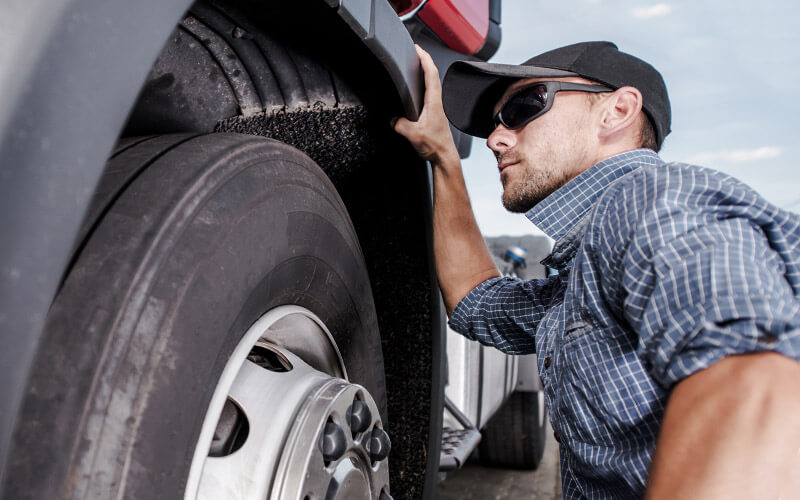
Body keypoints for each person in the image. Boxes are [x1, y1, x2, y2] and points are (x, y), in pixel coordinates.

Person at [393, 41, 800, 499]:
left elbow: (755, 389)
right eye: (495, 123)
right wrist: (445, 158)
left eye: (525, 106)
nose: (495, 138)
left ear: (617, 111)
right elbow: (475, 298)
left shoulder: (651, 200)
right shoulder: (582, 276)